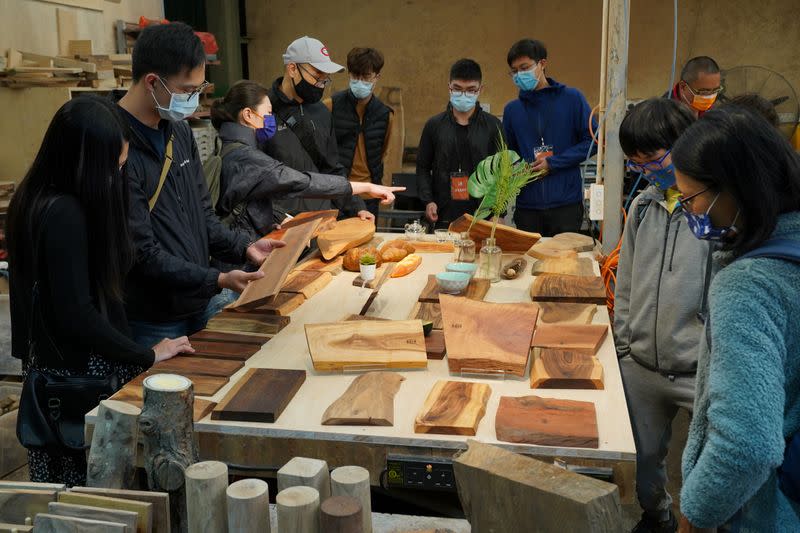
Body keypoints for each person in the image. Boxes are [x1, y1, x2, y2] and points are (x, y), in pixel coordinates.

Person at [7, 96, 192, 485]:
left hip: (52, 373)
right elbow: (78, 313)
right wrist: (146, 353)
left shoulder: (31, 197)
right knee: (93, 493)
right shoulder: (65, 213)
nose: (116, 176)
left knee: (62, 496)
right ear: (84, 162)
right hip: (76, 382)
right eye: (113, 167)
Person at [672, 106, 800, 531]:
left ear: (733, 189)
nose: (688, 212)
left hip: (762, 515)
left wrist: (695, 513)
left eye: (690, 200)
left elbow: (747, 445)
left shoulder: (748, 285)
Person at [117, 22, 283, 347]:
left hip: (197, 302)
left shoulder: (178, 132)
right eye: (187, 91)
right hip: (152, 317)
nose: (194, 99)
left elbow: (203, 216)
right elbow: (141, 253)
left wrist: (244, 246)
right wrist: (218, 278)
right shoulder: (116, 143)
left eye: (199, 89)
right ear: (152, 82)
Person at [613, 98, 710, 533]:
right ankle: (657, 517)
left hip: (698, 370)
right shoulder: (643, 208)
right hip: (642, 365)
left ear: (685, 145)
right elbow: (628, 282)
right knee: (644, 460)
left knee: (704, 466)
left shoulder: (714, 210)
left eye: (653, 160)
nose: (648, 172)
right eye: (638, 165)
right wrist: (623, 348)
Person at [211, 80, 402, 240]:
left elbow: (250, 201)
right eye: (268, 113)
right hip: (239, 261)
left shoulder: (229, 146)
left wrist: (276, 217)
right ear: (248, 115)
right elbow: (302, 182)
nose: (270, 119)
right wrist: (366, 187)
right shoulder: (246, 157)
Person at [263, 36, 371, 223]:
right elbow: (254, 177)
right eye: (317, 76)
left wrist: (356, 206)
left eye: (325, 79)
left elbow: (332, 169)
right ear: (292, 69)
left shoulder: (321, 112)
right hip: (280, 224)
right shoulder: (263, 110)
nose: (321, 84)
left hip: (322, 221)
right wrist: (277, 216)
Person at [503, 39, 596, 236]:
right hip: (527, 206)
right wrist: (519, 169)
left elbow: (592, 142)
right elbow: (509, 155)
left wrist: (553, 163)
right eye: (514, 71)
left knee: (564, 263)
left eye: (524, 67)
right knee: (528, 263)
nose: (519, 75)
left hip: (566, 204)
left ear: (542, 64)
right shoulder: (512, 110)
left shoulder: (572, 99)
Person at [417, 58, 503, 229]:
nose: (463, 95)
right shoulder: (434, 125)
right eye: (457, 89)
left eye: (471, 90)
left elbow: (502, 172)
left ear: (480, 89)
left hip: (483, 214)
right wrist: (428, 201)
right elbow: (423, 167)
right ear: (449, 87)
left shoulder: (494, 126)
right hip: (442, 213)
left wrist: (499, 211)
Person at [326, 47, 394, 219]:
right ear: (349, 74)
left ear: (377, 77)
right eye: (356, 76)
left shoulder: (385, 114)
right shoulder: (331, 105)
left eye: (366, 77)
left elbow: (384, 152)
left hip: (370, 195)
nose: (360, 82)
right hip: (338, 192)